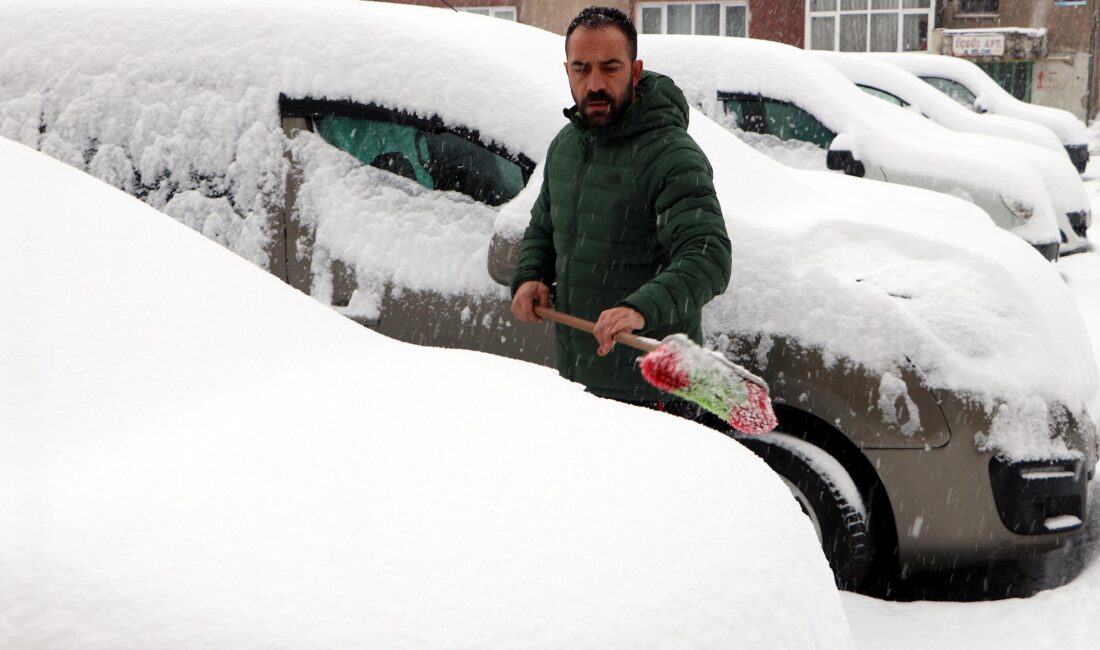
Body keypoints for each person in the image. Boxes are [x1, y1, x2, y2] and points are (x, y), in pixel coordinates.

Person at [510, 6, 731, 416]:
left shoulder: (670, 155)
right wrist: (531, 276)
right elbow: (544, 226)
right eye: (581, 69)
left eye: (610, 68)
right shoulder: (566, 146)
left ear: (634, 70)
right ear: (567, 72)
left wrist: (639, 309)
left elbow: (709, 256)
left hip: (654, 394)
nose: (594, 83)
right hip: (577, 381)